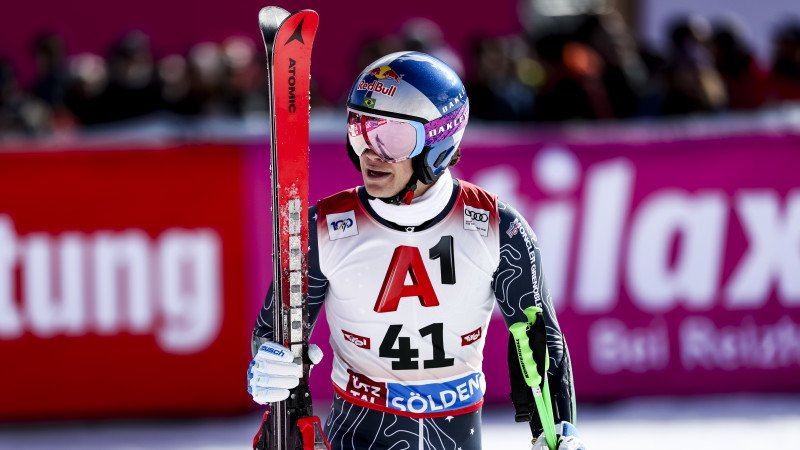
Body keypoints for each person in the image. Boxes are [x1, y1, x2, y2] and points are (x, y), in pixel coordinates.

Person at [248, 51, 584, 450]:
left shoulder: (499, 227)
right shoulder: (322, 228)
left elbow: (538, 341)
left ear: (439, 141)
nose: (371, 152)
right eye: (361, 128)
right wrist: (271, 370)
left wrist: (556, 433)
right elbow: (276, 333)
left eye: (393, 138)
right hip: (356, 436)